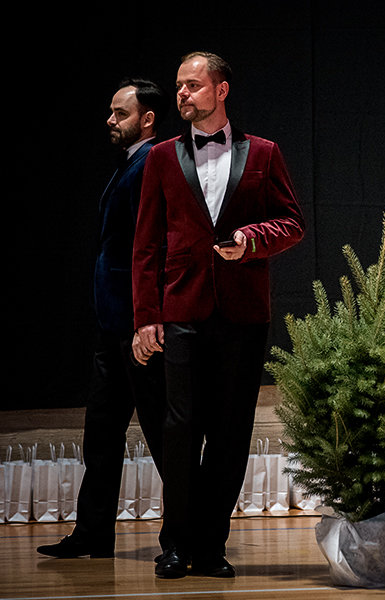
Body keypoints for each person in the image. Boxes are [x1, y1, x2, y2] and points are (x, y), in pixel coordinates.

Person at [131, 51, 305, 579]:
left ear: (221, 90)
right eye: (179, 86)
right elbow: (146, 245)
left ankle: (210, 546)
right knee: (180, 429)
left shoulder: (264, 153)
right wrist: (146, 317)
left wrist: (251, 239)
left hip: (243, 314)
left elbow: (292, 222)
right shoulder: (162, 156)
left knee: (230, 433)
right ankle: (175, 543)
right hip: (181, 311)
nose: (182, 94)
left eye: (192, 85)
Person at [37, 79, 168, 560]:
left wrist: (145, 320)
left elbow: (152, 246)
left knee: (163, 436)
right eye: (111, 112)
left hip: (138, 329)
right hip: (112, 327)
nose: (110, 120)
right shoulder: (127, 164)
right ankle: (93, 533)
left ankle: (188, 537)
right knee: (101, 436)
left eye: (120, 113)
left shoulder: (151, 162)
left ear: (147, 119)